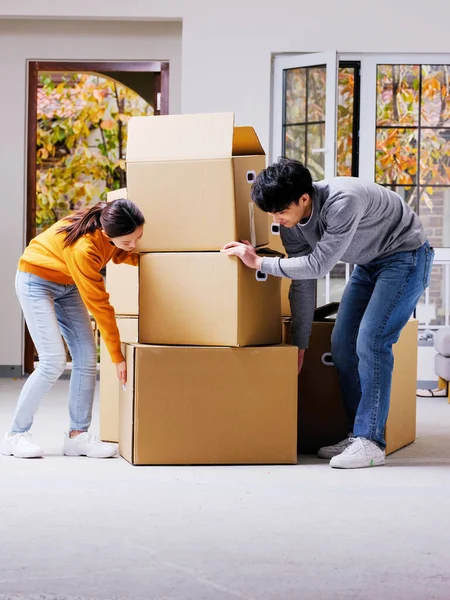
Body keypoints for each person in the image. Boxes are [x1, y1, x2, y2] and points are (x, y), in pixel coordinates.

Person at [222, 158, 434, 469]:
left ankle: (371, 441)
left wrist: (260, 263)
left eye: (281, 211)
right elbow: (303, 280)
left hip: (406, 256)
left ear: (304, 199)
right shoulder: (291, 224)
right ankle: (358, 434)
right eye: (271, 213)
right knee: (341, 344)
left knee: (371, 341)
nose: (276, 218)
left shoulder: (341, 201)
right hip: (369, 263)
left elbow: (319, 266)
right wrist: (301, 342)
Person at [1, 198, 145, 459]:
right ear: (106, 233)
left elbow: (120, 252)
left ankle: (77, 437)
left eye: (137, 237)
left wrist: (158, 256)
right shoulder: (84, 249)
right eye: (128, 241)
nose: (134, 245)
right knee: (53, 360)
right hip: (36, 280)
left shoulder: (111, 225)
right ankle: (15, 435)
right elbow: (100, 306)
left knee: (87, 358)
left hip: (66, 282)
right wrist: (117, 356)